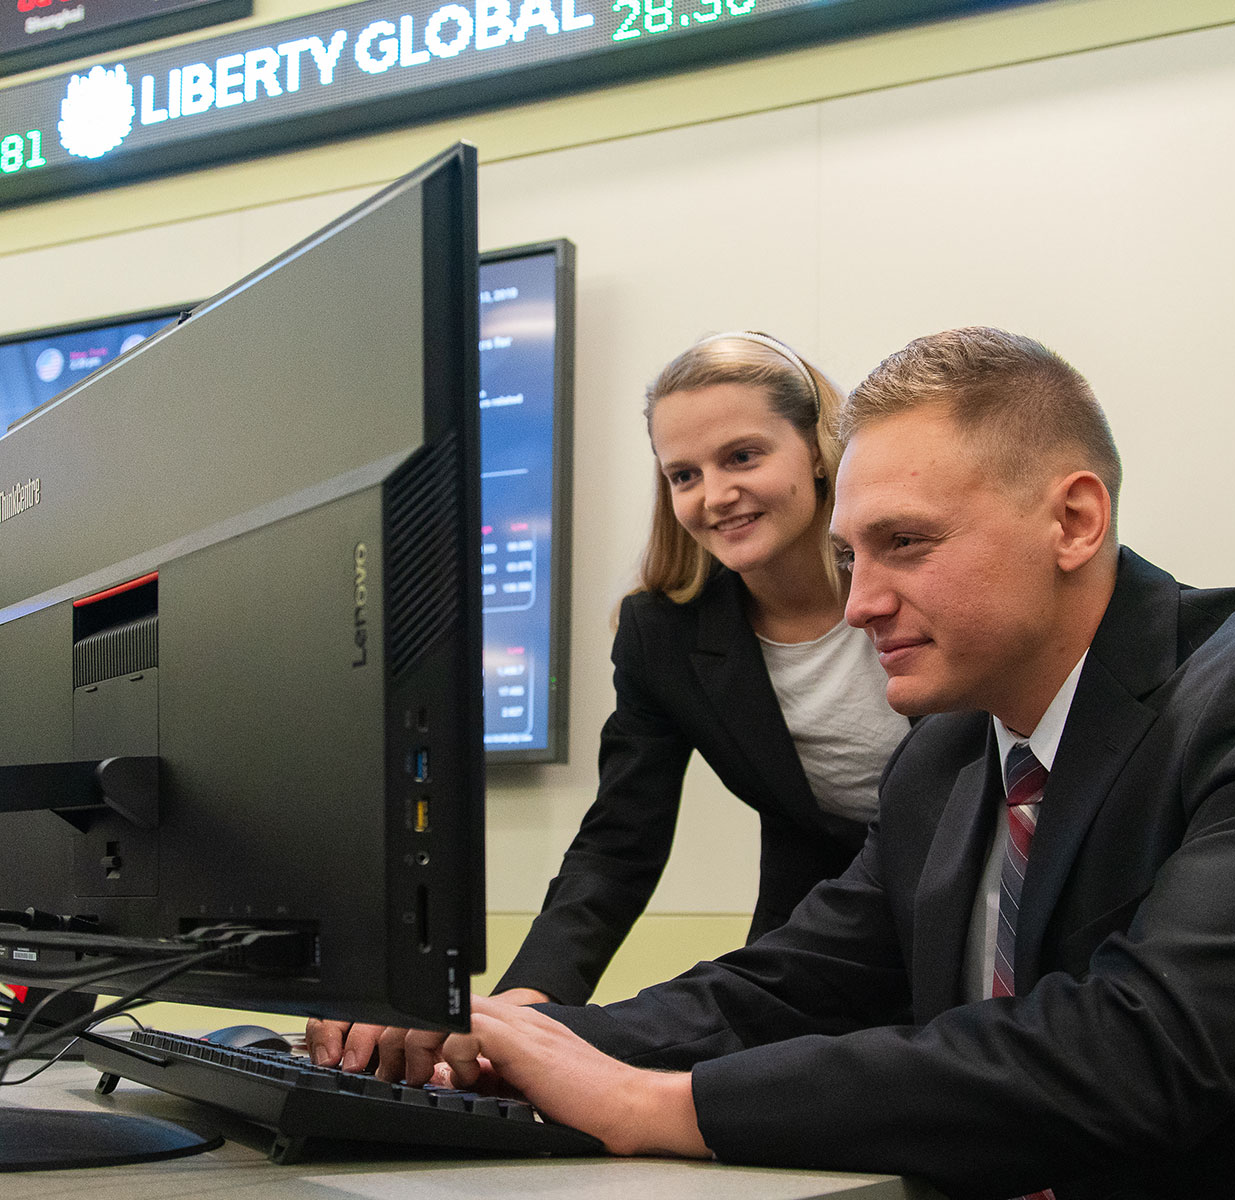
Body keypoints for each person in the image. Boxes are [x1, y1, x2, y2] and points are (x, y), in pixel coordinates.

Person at [400, 328, 1235, 1198]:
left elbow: (1139, 1052)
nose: (859, 601)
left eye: (906, 545)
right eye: (850, 554)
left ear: (1074, 520)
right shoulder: (944, 759)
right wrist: (506, 1045)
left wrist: (667, 1106)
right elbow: (788, 988)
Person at [312, 332, 909, 1074]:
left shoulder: (911, 580)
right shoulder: (662, 632)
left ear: (819, 449)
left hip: (967, 904)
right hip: (817, 944)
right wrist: (530, 1001)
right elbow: (618, 841)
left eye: (743, 456)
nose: (715, 495)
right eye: (683, 474)